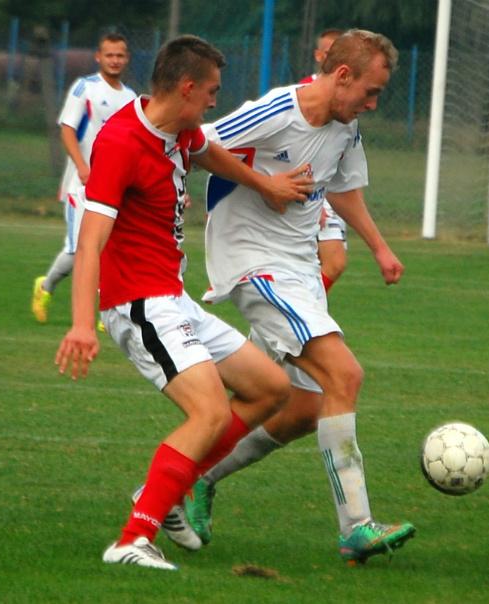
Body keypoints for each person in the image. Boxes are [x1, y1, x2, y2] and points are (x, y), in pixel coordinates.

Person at [54, 34, 314, 571]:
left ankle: (165, 489)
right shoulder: (121, 141)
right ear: (188, 87)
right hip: (138, 303)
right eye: (212, 91)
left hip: (172, 298)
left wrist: (264, 185)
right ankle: (132, 540)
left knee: (271, 388)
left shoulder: (180, 130)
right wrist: (81, 324)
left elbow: (210, 154)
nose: (216, 101)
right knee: (210, 411)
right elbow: (90, 242)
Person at [194, 29, 415, 566]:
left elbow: (343, 189)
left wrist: (380, 248)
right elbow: (197, 144)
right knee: (345, 375)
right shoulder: (276, 111)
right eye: (370, 91)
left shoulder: (345, 124)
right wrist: (262, 183)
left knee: (302, 410)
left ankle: (193, 477)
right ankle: (356, 527)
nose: (372, 104)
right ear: (342, 75)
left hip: (299, 271)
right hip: (255, 265)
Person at [32, 33, 136, 324]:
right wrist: (82, 166)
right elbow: (67, 128)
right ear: (98, 57)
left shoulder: (130, 98)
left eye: (120, 55)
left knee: (111, 248)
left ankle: (108, 311)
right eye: (109, 55)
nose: (115, 60)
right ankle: (45, 286)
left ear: (127, 59)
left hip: (113, 186)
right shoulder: (85, 88)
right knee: (79, 248)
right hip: (82, 185)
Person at [300, 28, 348, 291]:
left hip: (331, 189)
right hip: (313, 190)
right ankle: (303, 312)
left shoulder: (349, 96)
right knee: (335, 262)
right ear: (318, 56)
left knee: (323, 265)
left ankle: (302, 311)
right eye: (330, 52)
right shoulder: (306, 92)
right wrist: (312, 201)